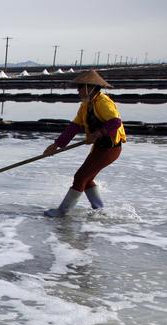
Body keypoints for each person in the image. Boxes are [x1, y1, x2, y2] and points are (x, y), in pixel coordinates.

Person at [42, 70, 126, 217]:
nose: (78, 91)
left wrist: (97, 134)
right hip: (100, 147)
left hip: (110, 148)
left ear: (90, 87)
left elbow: (115, 122)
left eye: (80, 87)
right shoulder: (85, 105)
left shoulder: (103, 102)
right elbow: (74, 127)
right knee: (86, 179)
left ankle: (62, 212)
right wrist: (56, 145)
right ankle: (99, 210)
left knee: (80, 177)